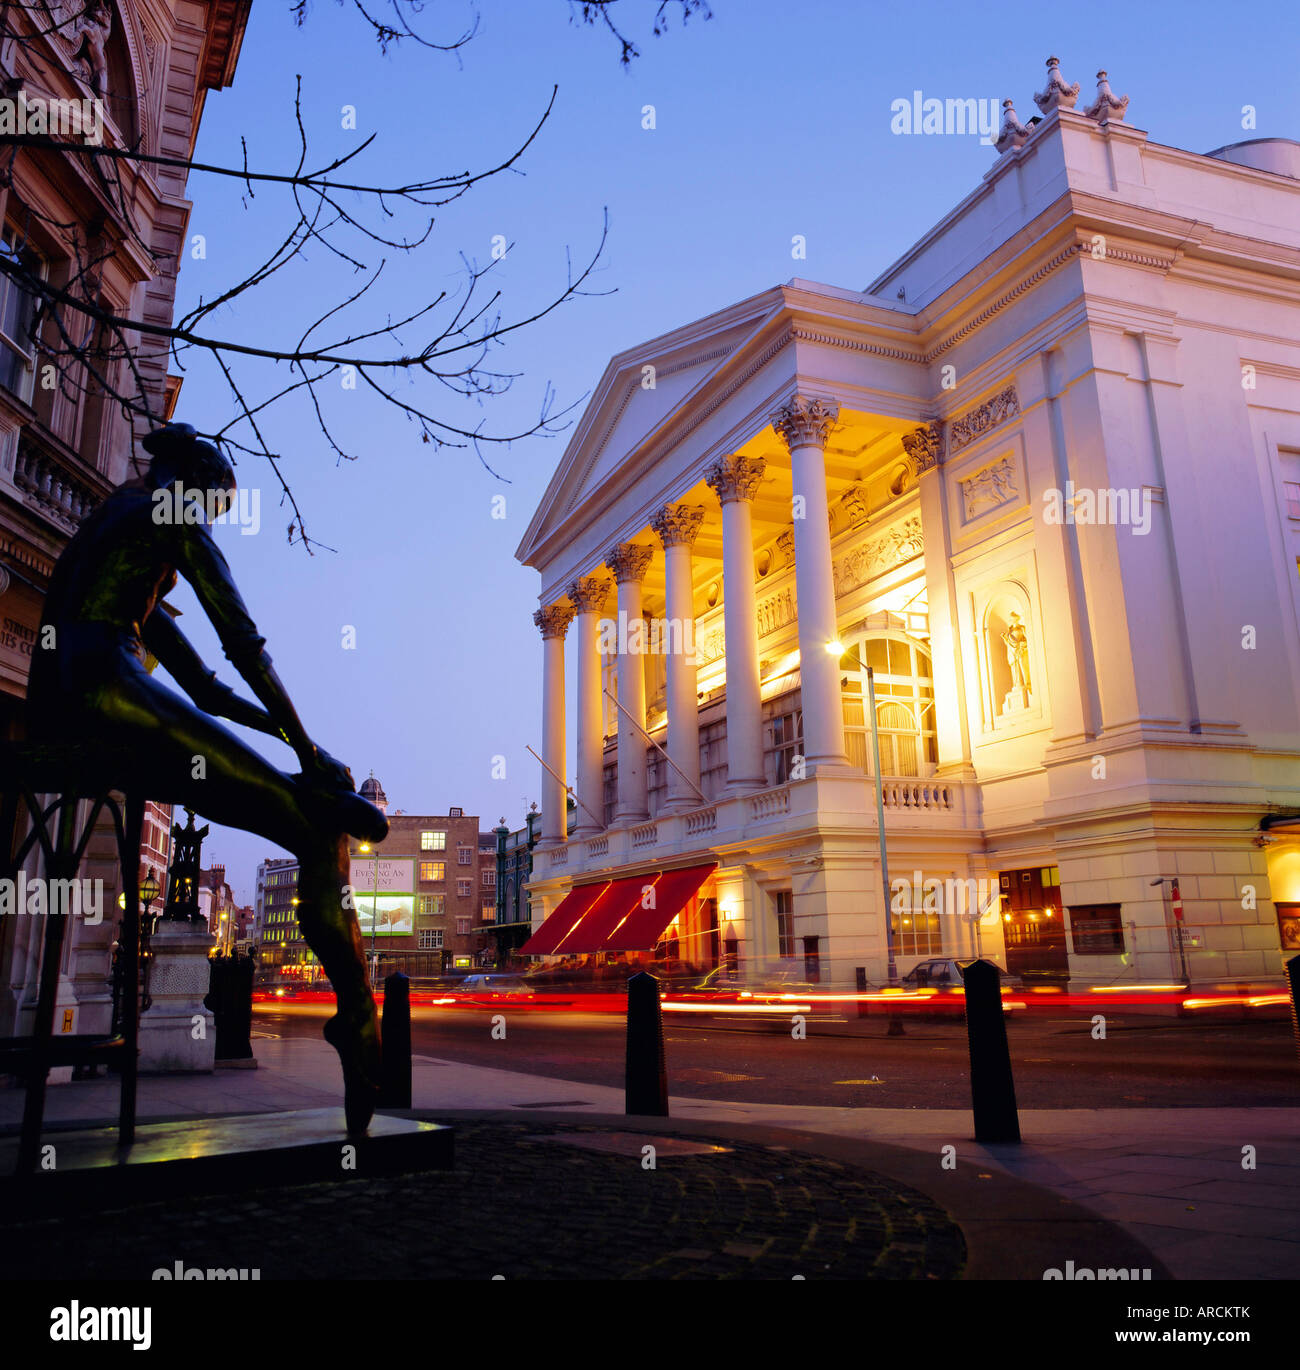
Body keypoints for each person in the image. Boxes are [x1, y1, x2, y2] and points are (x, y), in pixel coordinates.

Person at [27, 422, 387, 1133]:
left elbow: (211, 691)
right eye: (215, 510)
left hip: (70, 696)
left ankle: (357, 1010)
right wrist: (310, 758)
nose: (210, 524)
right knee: (310, 825)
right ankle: (358, 1015)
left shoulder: (121, 542)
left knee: (303, 804)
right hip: (104, 691)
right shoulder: (170, 520)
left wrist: (302, 750)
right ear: (194, 491)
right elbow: (245, 650)